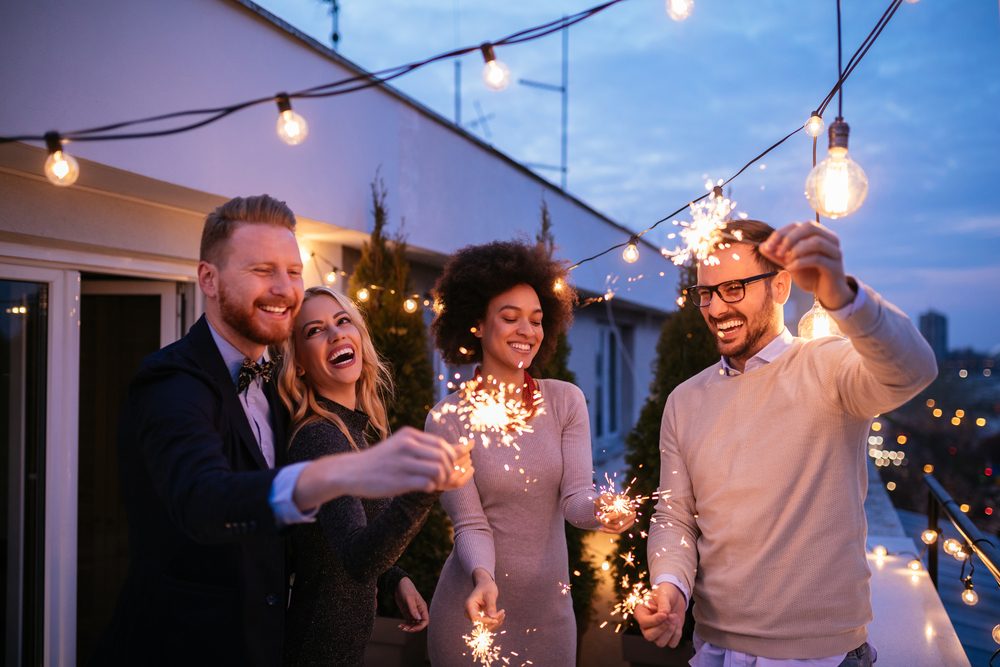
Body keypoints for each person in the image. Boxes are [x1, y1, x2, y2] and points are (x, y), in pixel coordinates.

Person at [95, 195, 471, 667]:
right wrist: (340, 473)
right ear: (207, 279)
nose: (283, 288)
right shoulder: (172, 381)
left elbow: (318, 542)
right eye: (261, 270)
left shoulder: (277, 390)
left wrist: (392, 576)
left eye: (293, 272)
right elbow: (204, 500)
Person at [634, 220, 937, 666]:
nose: (716, 308)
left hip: (824, 655)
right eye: (706, 292)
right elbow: (673, 515)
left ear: (780, 286)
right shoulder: (685, 400)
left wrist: (843, 295)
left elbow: (915, 369)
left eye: (734, 288)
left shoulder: (829, 367)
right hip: (713, 649)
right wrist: (670, 585)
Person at [424, 240, 635, 666]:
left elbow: (576, 499)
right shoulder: (447, 418)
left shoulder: (564, 402)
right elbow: (470, 525)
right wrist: (483, 578)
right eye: (510, 318)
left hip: (550, 624)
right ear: (478, 324)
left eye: (537, 321)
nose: (527, 331)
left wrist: (603, 510)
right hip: (473, 616)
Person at [280, 286, 462, 666]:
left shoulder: (352, 431)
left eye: (343, 321)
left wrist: (394, 577)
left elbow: (336, 542)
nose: (336, 334)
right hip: (316, 650)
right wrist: (425, 489)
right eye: (315, 330)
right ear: (297, 362)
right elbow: (356, 558)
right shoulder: (319, 437)